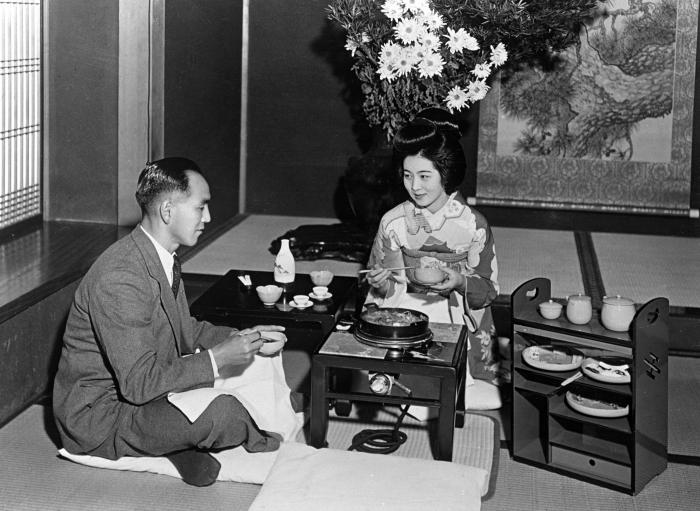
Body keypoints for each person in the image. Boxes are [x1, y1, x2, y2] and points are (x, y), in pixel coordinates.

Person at [53, 157, 287, 487]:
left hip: (143, 392)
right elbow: (138, 385)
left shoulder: (161, 255)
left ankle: (172, 444)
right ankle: (170, 444)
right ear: (167, 211)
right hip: (101, 416)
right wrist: (218, 359)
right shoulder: (121, 276)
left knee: (257, 365)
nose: (209, 217)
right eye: (201, 207)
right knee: (225, 414)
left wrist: (249, 338)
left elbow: (185, 330)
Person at [364, 108, 504, 408]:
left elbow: (488, 290)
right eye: (408, 175)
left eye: (425, 176)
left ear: (446, 173)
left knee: (490, 392)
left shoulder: (473, 223)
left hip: (457, 310)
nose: (415, 186)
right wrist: (381, 281)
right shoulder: (393, 222)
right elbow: (387, 288)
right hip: (406, 311)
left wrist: (459, 281)